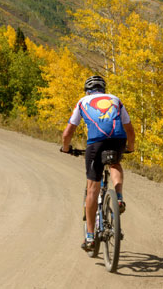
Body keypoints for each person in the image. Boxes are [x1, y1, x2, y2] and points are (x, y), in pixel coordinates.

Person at [60, 75, 135, 252]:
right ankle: (118, 197)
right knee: (115, 164)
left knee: (92, 188)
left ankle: (90, 237)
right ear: (103, 89)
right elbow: (130, 130)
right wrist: (130, 148)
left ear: (87, 90)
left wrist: (65, 148)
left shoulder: (83, 102)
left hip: (96, 143)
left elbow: (67, 133)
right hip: (118, 140)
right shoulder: (115, 100)